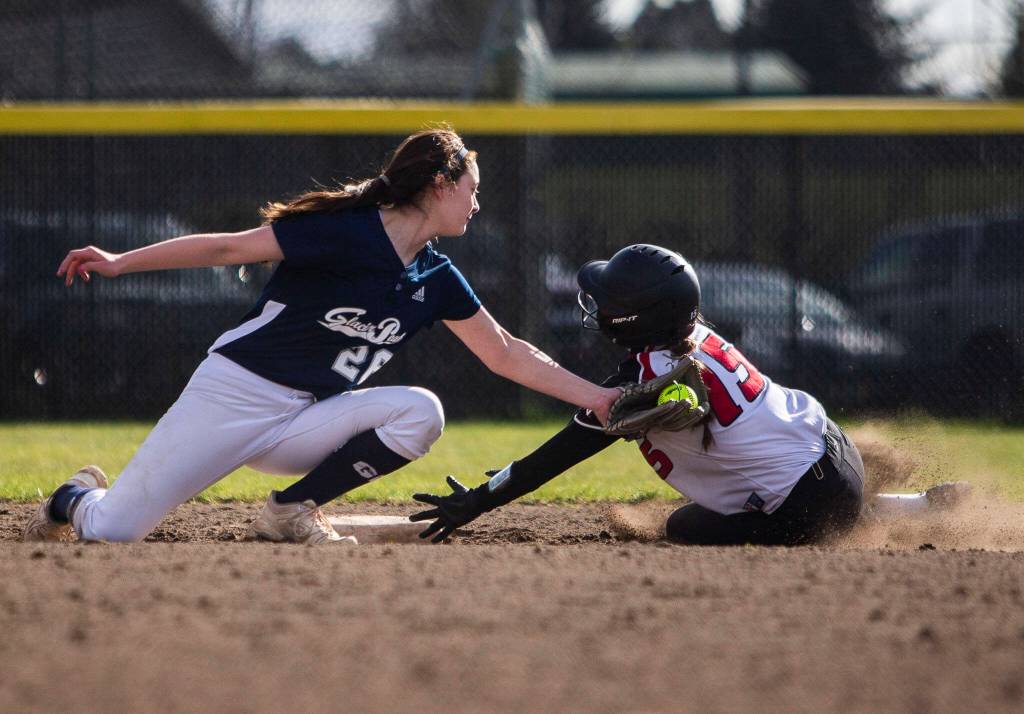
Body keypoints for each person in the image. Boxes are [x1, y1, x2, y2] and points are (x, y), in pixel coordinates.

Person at [24, 128, 620, 545]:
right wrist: (121, 261)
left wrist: (598, 398)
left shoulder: (436, 277)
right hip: (233, 393)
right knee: (114, 530)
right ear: (440, 184)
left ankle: (289, 508)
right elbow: (228, 248)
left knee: (421, 413)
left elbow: (506, 352)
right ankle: (73, 496)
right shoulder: (346, 231)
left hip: (306, 417)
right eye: (472, 189)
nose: (477, 203)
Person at [410, 244, 971, 545]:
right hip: (833, 448)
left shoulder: (640, 388)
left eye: (608, 301)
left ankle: (857, 516)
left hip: (808, 502)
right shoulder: (696, 335)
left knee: (683, 525)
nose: (598, 306)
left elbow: (554, 457)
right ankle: (919, 506)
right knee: (776, 485)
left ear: (633, 318)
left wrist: (478, 501)